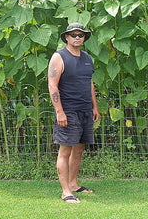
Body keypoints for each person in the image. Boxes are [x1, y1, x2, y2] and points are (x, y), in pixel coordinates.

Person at [48, 22, 99, 204]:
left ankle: (74, 184)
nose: (77, 37)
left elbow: (89, 82)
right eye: (74, 35)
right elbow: (52, 85)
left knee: (78, 149)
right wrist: (59, 112)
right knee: (65, 150)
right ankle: (65, 192)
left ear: (84, 38)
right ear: (66, 37)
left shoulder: (86, 57)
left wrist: (94, 107)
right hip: (68, 110)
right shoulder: (59, 57)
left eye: (81, 35)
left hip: (85, 110)